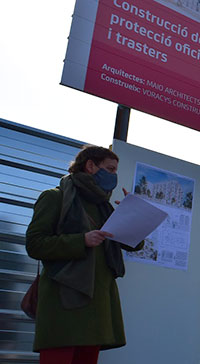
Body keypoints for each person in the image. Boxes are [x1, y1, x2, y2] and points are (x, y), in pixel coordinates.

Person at [25, 145, 143, 364]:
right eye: (110, 169)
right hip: (64, 308)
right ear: (90, 166)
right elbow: (35, 244)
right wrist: (82, 240)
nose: (114, 177)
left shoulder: (104, 208)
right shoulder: (54, 198)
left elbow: (134, 245)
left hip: (97, 310)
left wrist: (132, 213)